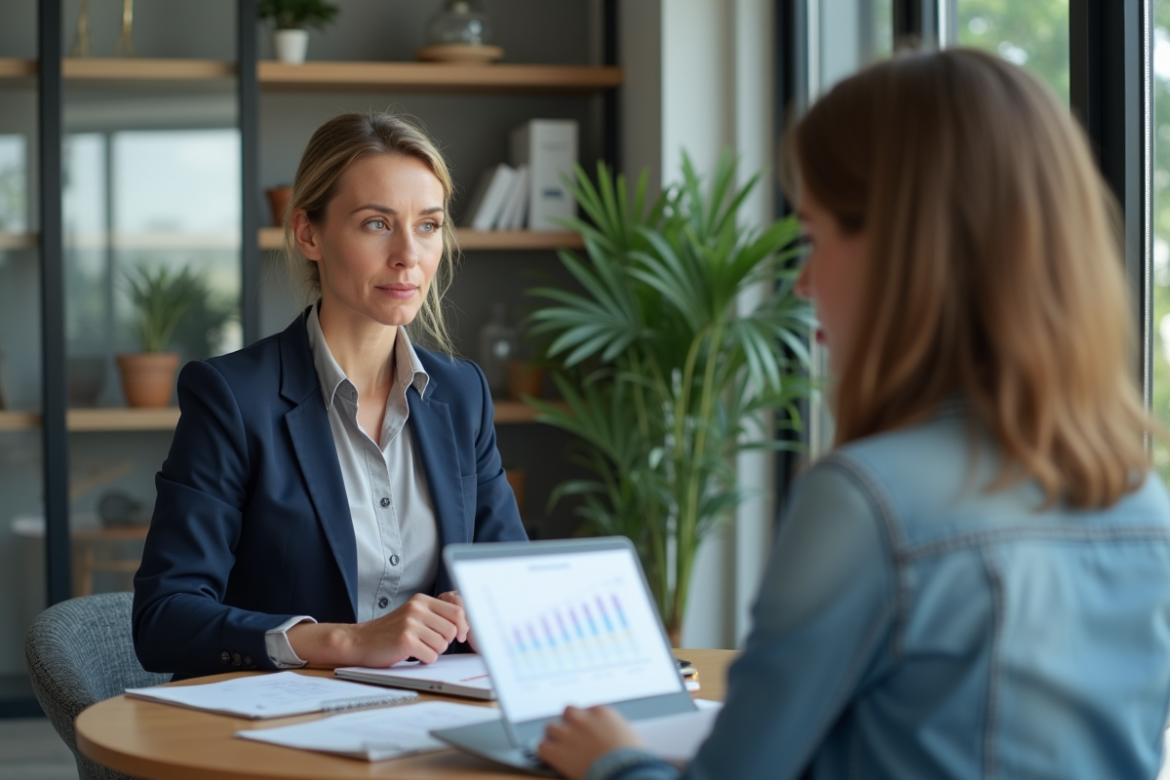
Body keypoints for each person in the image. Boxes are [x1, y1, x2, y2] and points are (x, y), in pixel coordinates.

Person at [536, 48, 1170, 780]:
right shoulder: (1139, 498)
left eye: (814, 236)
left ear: (906, 247)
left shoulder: (869, 499)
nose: (801, 283)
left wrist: (615, 761)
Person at [132, 112, 527, 679]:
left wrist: (494, 610)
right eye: (375, 224)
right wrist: (348, 641)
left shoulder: (462, 394)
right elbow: (164, 621)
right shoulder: (232, 398)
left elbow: (511, 579)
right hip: (277, 728)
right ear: (308, 233)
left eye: (428, 226)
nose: (408, 257)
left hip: (433, 715)